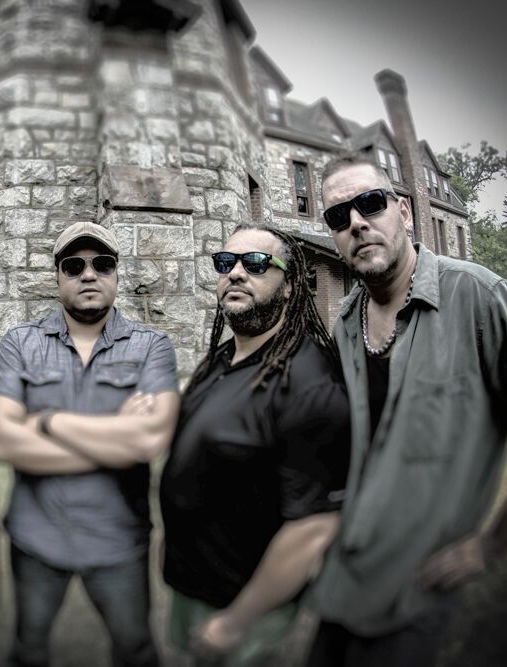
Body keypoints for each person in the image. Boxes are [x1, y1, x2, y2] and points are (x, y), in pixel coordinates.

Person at [305, 155, 507, 666]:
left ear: (404, 213)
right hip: (346, 567)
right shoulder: (346, 321)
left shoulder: (476, 295)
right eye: (338, 216)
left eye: (370, 203)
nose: (356, 223)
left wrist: (491, 545)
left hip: (416, 584)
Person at [0, 221, 179, 667]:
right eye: (74, 266)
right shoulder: (21, 342)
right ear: (57, 277)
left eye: (102, 264)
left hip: (118, 541)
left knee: (136, 651)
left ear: (116, 273)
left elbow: (150, 440)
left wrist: (45, 422)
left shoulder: (151, 346)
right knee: (28, 651)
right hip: (37, 539)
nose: (88, 274)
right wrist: (116, 436)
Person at [160, 223, 350, 666]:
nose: (236, 272)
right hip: (193, 586)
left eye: (257, 263)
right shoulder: (223, 356)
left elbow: (312, 528)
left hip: (245, 609)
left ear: (289, 286)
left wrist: (236, 622)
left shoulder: (310, 384)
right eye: (226, 262)